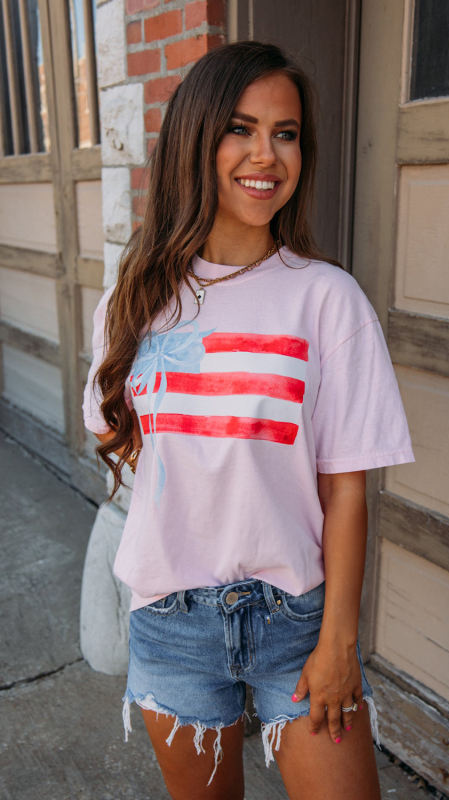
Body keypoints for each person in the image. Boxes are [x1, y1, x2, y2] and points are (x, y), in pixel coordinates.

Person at [83, 40, 414, 800]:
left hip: (297, 623)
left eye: (286, 132)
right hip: (173, 626)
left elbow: (348, 492)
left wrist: (339, 641)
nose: (267, 154)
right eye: (241, 127)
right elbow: (117, 437)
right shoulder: (133, 302)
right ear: (198, 139)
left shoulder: (327, 300)